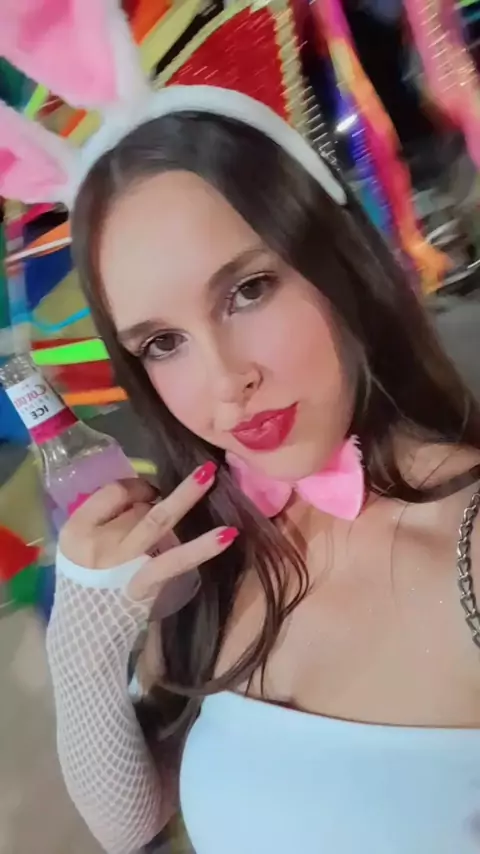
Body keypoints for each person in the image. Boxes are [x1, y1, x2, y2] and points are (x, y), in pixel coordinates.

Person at [1, 3, 480, 853]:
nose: (226, 382)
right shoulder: (212, 546)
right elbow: (132, 821)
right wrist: (85, 646)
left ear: (337, 259)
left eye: (248, 291)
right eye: (163, 343)